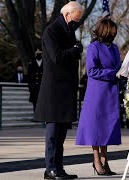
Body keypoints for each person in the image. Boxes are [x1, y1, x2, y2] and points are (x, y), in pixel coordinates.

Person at [34, 1, 84, 179]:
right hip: (54, 91)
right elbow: (57, 56)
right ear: (67, 14)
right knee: (53, 134)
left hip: (65, 90)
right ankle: (50, 168)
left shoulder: (67, 31)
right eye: (76, 19)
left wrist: (74, 49)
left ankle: (59, 168)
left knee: (61, 135)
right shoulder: (52, 31)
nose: (77, 23)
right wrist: (75, 49)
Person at [75, 18, 121, 176]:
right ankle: (97, 161)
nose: (114, 34)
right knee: (96, 128)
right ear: (104, 31)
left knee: (106, 128)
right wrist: (112, 73)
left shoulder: (114, 47)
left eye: (115, 32)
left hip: (110, 92)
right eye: (112, 32)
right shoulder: (94, 47)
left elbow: (119, 67)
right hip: (97, 93)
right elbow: (92, 71)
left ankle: (105, 160)